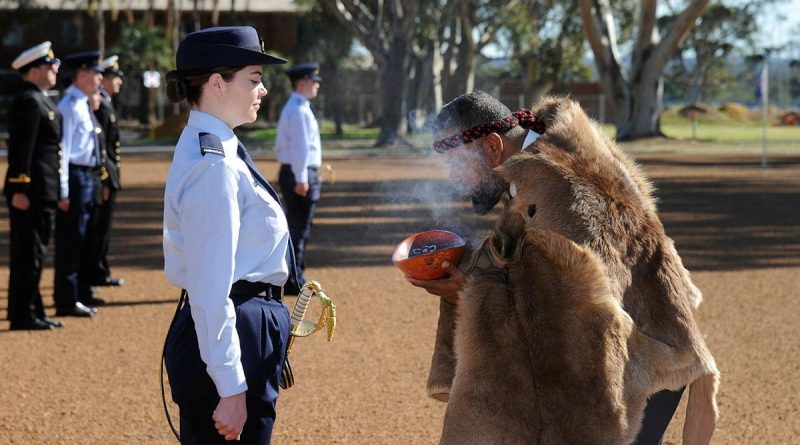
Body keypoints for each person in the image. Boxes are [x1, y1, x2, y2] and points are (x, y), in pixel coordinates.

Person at [407, 91, 687, 445]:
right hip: (607, 353)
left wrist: (467, 292)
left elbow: (563, 310)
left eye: (456, 163)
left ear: (493, 146)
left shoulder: (561, 187)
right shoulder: (532, 168)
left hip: (642, 358)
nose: (454, 179)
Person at [162, 26, 299, 444]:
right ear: (217, 83)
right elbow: (209, 288)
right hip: (234, 328)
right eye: (254, 80)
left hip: (242, 323)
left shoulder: (220, 147)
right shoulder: (213, 166)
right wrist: (231, 387)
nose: (263, 90)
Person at [4, 41, 65, 330]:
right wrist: (19, 189)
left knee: (35, 253)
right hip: (30, 192)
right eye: (50, 65)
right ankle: (22, 314)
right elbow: (21, 150)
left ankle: (32, 309)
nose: (55, 69)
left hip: (42, 191)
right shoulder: (29, 101)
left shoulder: (39, 98)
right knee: (28, 253)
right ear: (35, 70)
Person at [53, 50, 104, 317]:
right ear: (82, 75)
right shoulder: (70, 106)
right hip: (74, 176)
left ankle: (78, 293)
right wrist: (63, 189)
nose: (100, 78)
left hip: (86, 176)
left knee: (82, 238)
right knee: (70, 241)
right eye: (96, 73)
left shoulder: (83, 103)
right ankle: (66, 299)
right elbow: (63, 150)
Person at [275, 62, 322, 293]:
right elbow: (300, 148)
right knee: (298, 229)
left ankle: (295, 276)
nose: (317, 86)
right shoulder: (299, 110)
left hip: (295, 172)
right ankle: (294, 280)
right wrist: (302, 178)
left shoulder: (297, 107)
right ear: (302, 83)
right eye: (314, 81)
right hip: (298, 173)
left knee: (298, 227)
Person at [88, 55, 125, 288]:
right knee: (97, 230)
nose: (119, 82)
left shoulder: (107, 102)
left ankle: (99, 270)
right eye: (116, 78)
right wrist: (103, 178)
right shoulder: (100, 104)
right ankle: (94, 273)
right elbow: (100, 146)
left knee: (103, 230)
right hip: (105, 175)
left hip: (110, 174)